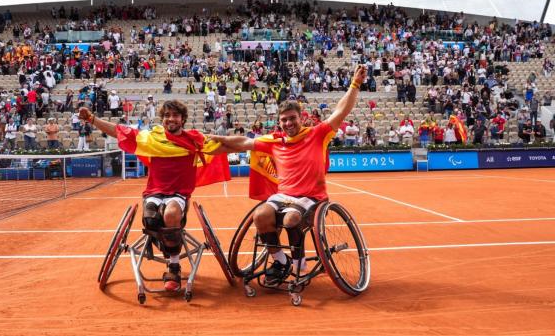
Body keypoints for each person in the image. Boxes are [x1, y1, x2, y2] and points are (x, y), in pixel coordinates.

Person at [209, 65, 367, 286]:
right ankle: (281, 261)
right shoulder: (274, 141)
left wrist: (355, 84)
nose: (288, 123)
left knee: (292, 218)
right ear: (279, 122)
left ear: (300, 118)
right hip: (283, 196)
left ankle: (299, 261)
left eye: (292, 118)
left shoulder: (317, 134)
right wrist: (209, 140)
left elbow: (341, 111)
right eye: (284, 120)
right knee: (260, 215)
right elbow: (242, 143)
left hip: (312, 198)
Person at [77, 99, 229, 292]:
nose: (170, 119)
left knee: (171, 215)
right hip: (155, 192)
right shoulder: (152, 138)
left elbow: (224, 145)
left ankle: (173, 265)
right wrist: (91, 119)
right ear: (162, 119)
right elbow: (118, 131)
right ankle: (168, 242)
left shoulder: (194, 139)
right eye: (167, 116)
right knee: (150, 217)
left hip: (178, 194)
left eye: (175, 115)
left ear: (183, 119)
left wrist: (254, 145)